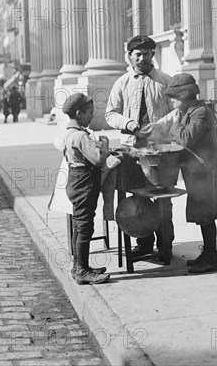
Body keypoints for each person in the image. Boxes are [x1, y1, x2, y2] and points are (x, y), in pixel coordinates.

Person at [140, 73, 217, 273]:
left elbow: (184, 138)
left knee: (207, 216)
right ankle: (208, 254)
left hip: (206, 174)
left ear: (184, 96)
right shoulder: (190, 112)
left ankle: (212, 258)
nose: (171, 101)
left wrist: (176, 123)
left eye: (173, 97)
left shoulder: (200, 112)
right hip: (197, 174)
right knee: (202, 216)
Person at [105, 35, 174, 261]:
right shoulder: (122, 83)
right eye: (138, 54)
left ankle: (165, 246)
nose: (142, 58)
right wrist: (127, 123)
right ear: (130, 56)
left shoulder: (165, 81)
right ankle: (144, 243)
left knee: (163, 198)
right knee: (137, 197)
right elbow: (110, 113)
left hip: (159, 151)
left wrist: (159, 125)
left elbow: (178, 111)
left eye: (146, 54)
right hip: (132, 152)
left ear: (153, 55)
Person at [61, 93, 111, 285]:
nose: (92, 116)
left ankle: (78, 267)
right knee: (85, 226)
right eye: (90, 113)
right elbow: (98, 159)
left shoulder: (69, 133)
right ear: (79, 113)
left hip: (75, 181)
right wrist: (104, 145)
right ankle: (82, 270)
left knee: (79, 225)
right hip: (85, 182)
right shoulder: (81, 136)